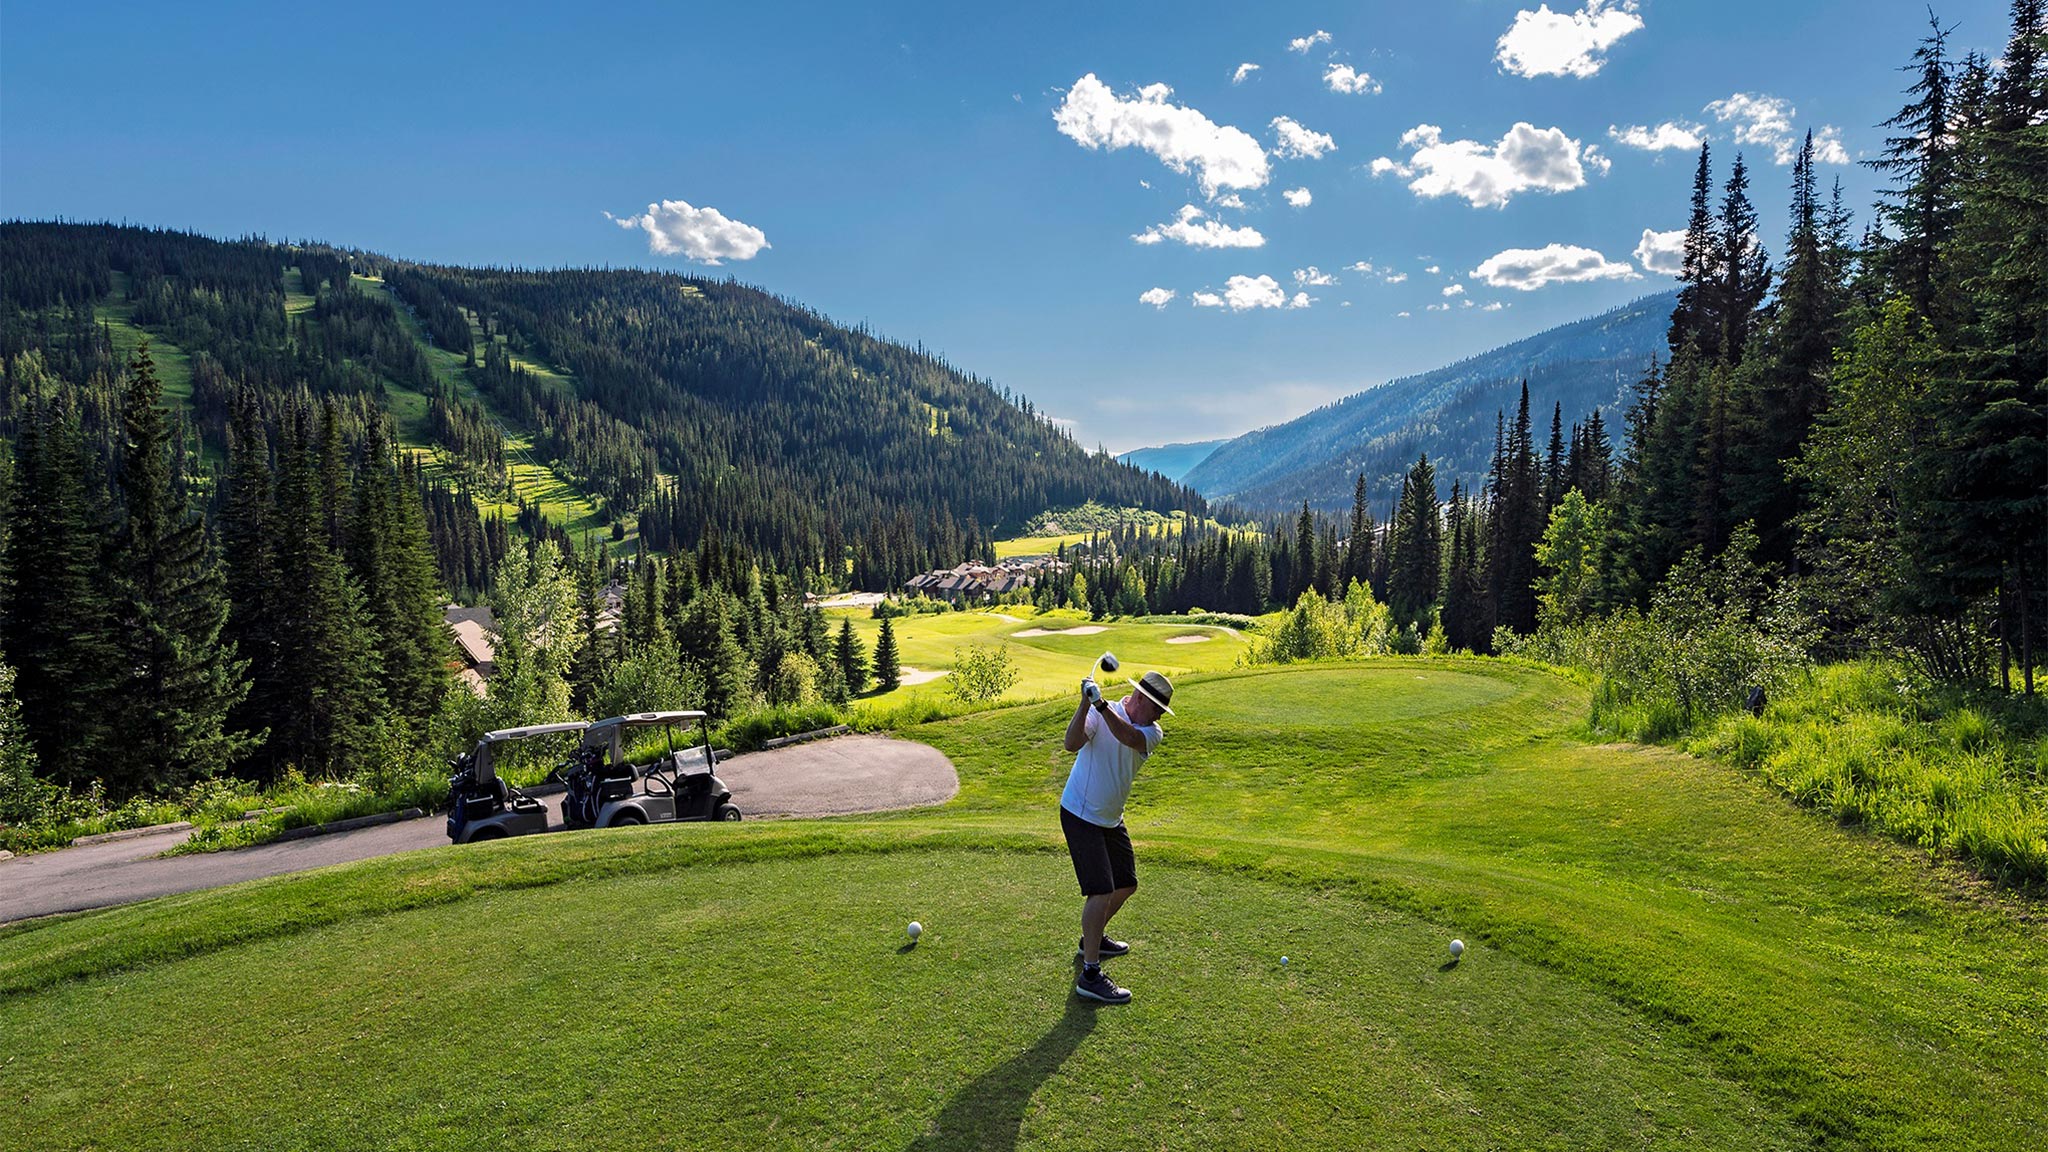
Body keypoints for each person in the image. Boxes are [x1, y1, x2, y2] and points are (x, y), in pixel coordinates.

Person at [1060, 668, 1173, 1004]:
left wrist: (1100, 705)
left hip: (1110, 819)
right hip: (1080, 813)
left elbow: (1127, 738)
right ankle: (1091, 974)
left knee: (1126, 883)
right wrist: (1085, 704)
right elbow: (1070, 744)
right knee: (1101, 889)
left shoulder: (1151, 733)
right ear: (1140, 699)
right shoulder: (1102, 712)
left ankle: (1090, 940)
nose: (1158, 716)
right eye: (1156, 709)